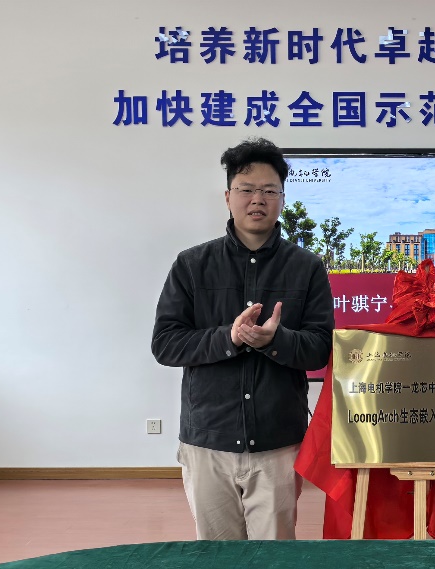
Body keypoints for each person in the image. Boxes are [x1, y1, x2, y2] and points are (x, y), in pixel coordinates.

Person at [151, 137, 333, 540]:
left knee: (274, 557)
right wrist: (229, 338)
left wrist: (274, 341)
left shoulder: (307, 268)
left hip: (278, 443)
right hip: (208, 441)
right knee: (217, 556)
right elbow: (165, 343)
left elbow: (320, 348)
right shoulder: (192, 265)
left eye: (269, 191)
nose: (257, 200)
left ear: (282, 199)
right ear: (228, 197)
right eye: (247, 189)